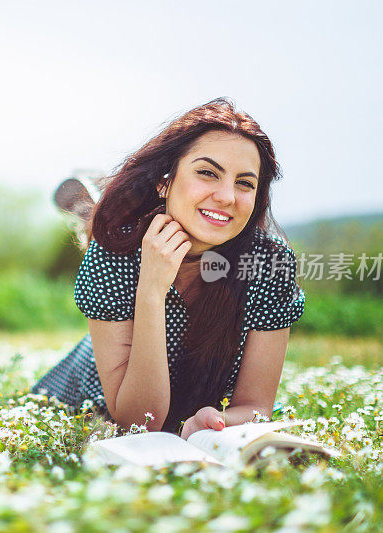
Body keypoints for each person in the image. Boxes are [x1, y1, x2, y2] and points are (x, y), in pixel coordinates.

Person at [32, 97, 305, 440]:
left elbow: (255, 407)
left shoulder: (268, 263)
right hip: (93, 395)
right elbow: (139, 423)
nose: (226, 197)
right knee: (104, 226)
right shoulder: (113, 253)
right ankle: (91, 206)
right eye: (208, 173)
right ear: (164, 181)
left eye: (245, 183)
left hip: (189, 403)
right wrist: (150, 290)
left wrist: (219, 420)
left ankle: (98, 197)